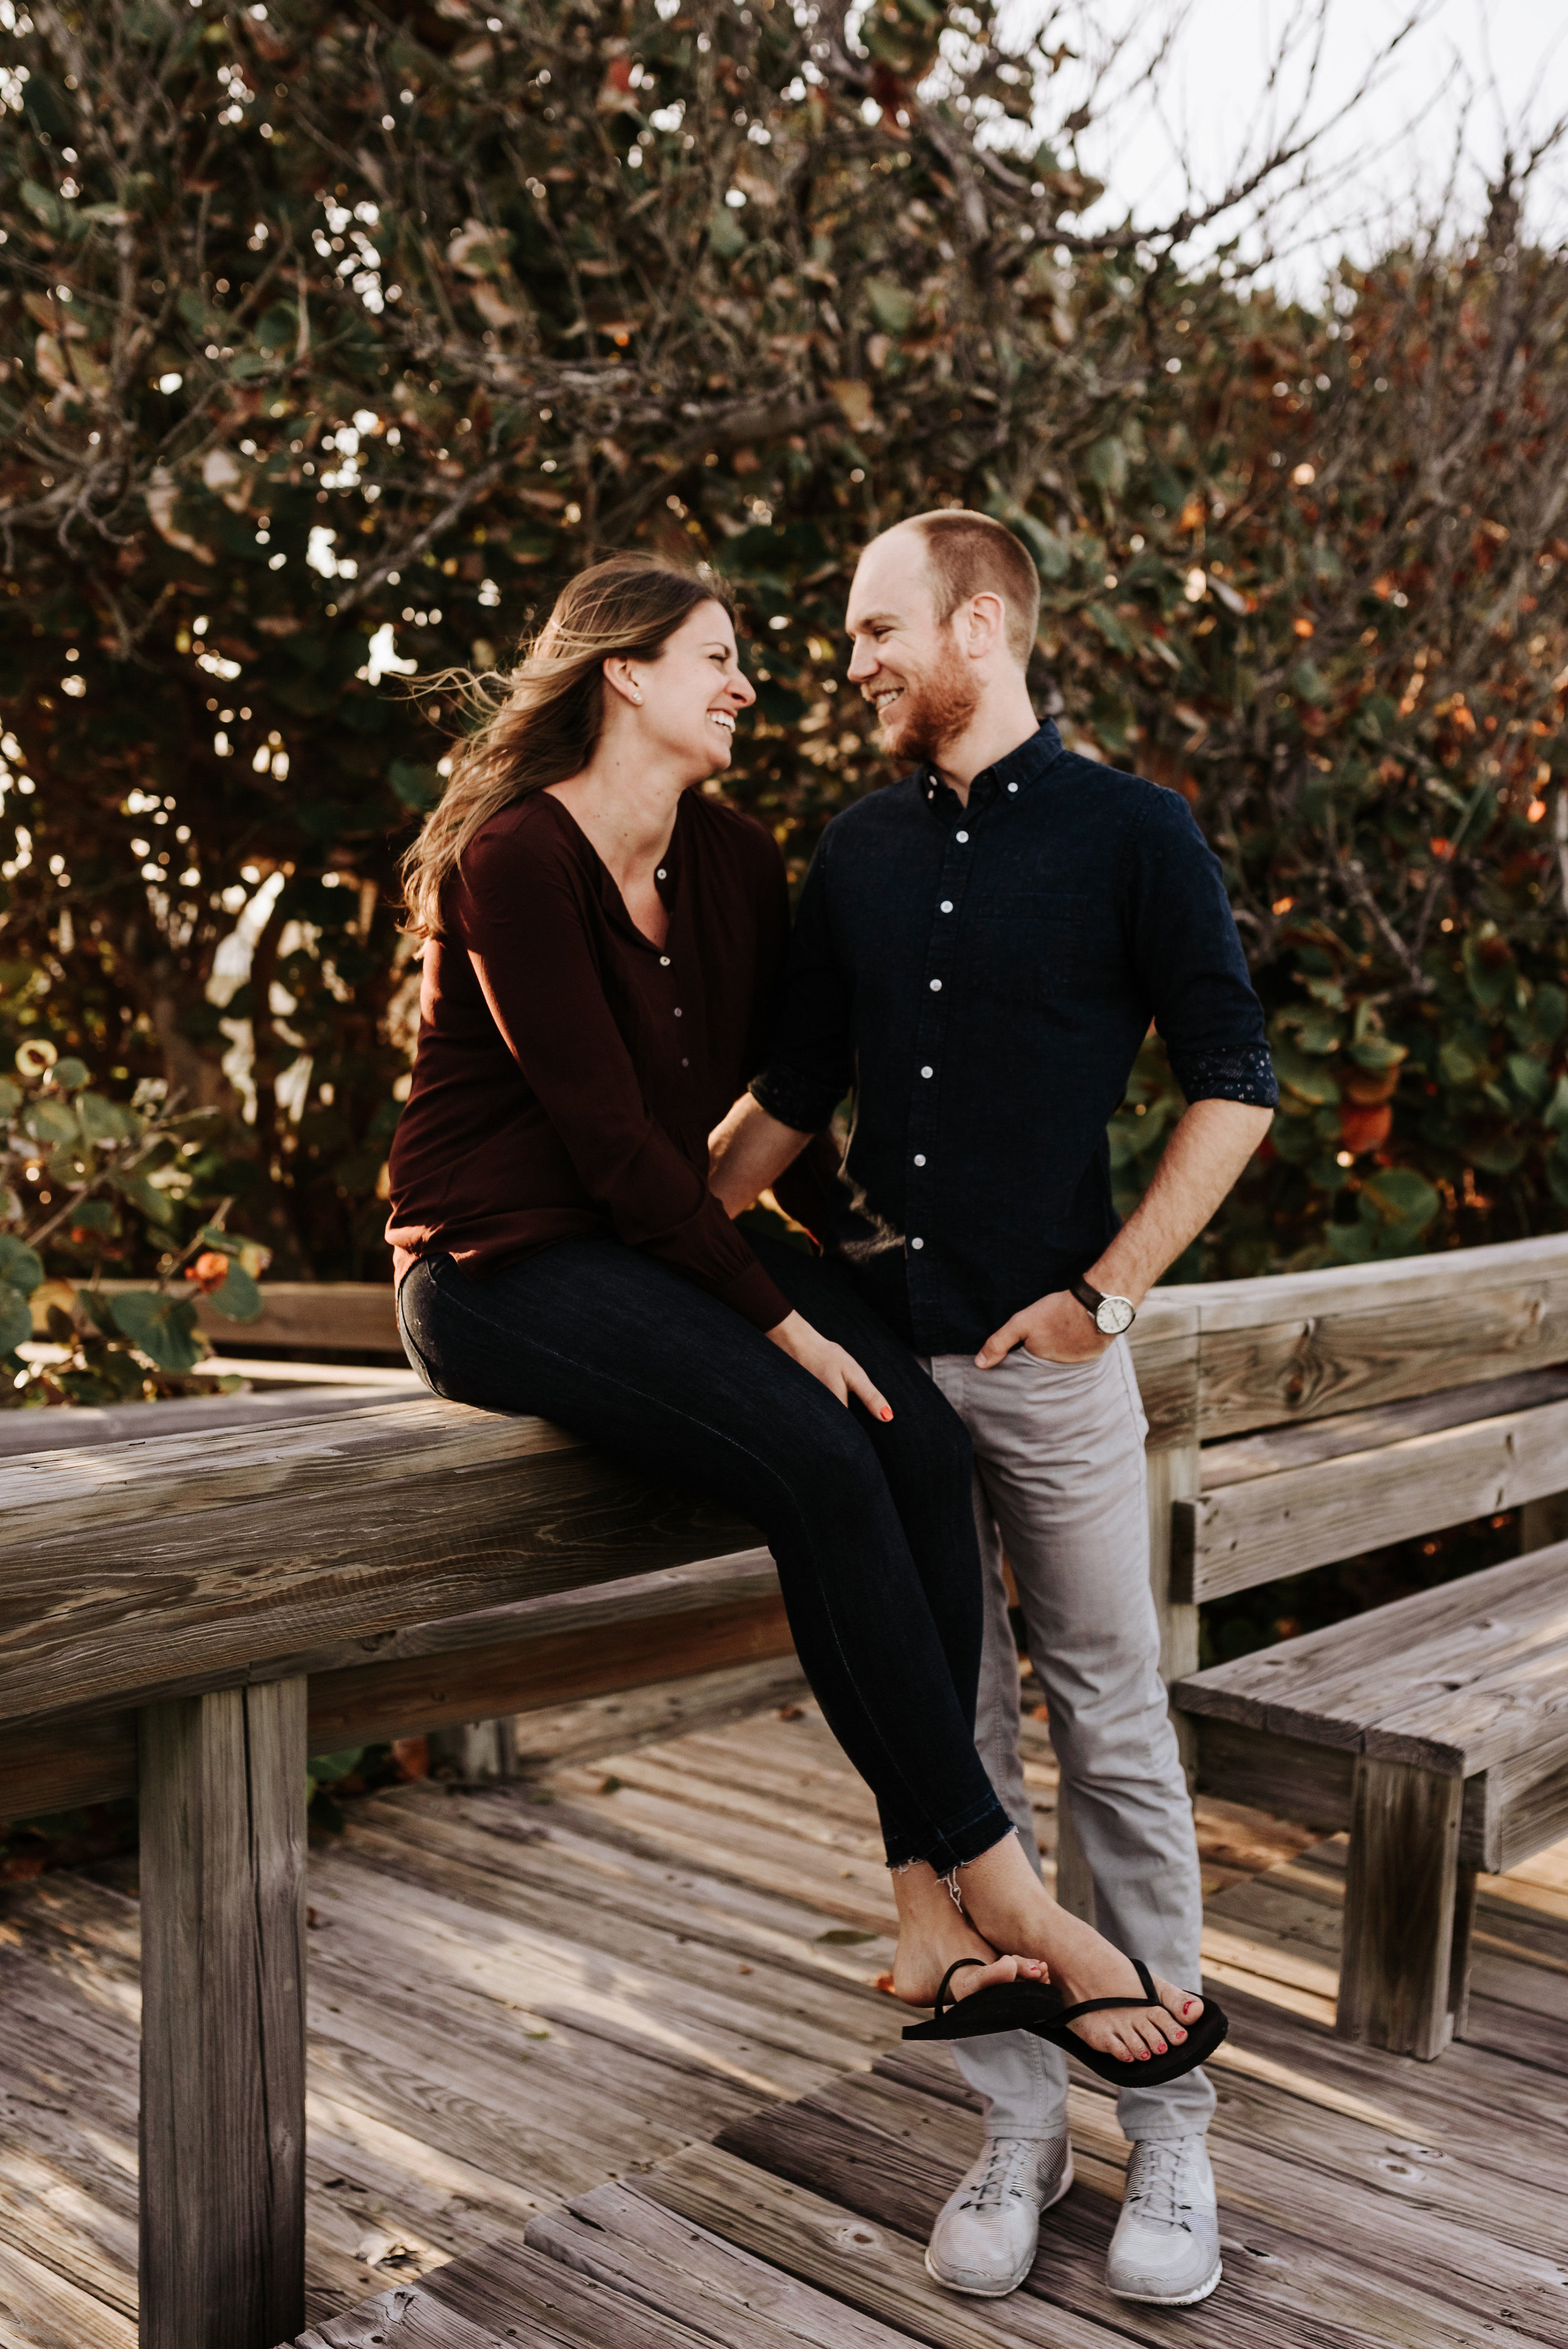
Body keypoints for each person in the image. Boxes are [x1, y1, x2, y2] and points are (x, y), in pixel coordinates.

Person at [384, 549, 1212, 2084]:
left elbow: (783, 1101)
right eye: (716, 655)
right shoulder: (514, 860)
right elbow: (620, 1155)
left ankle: (924, 1909)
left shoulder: (735, 859)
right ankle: (992, 1879)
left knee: (901, 1435)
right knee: (820, 1455)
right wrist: (782, 1318)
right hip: (496, 1265)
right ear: (622, 673)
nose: (752, 681)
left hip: (647, 1244)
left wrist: (851, 1256)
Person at [709, 511, 1277, 2309]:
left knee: (1110, 1716)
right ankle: (1016, 2122)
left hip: (1052, 1366)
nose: (853, 663)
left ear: (976, 624)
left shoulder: (1133, 834)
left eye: (876, 630)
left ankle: (1166, 2123)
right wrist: (606, 1230)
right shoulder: (856, 851)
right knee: (951, 1742)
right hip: (883, 1358)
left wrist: (1105, 1294)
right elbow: (788, 1103)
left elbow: (1236, 1084)